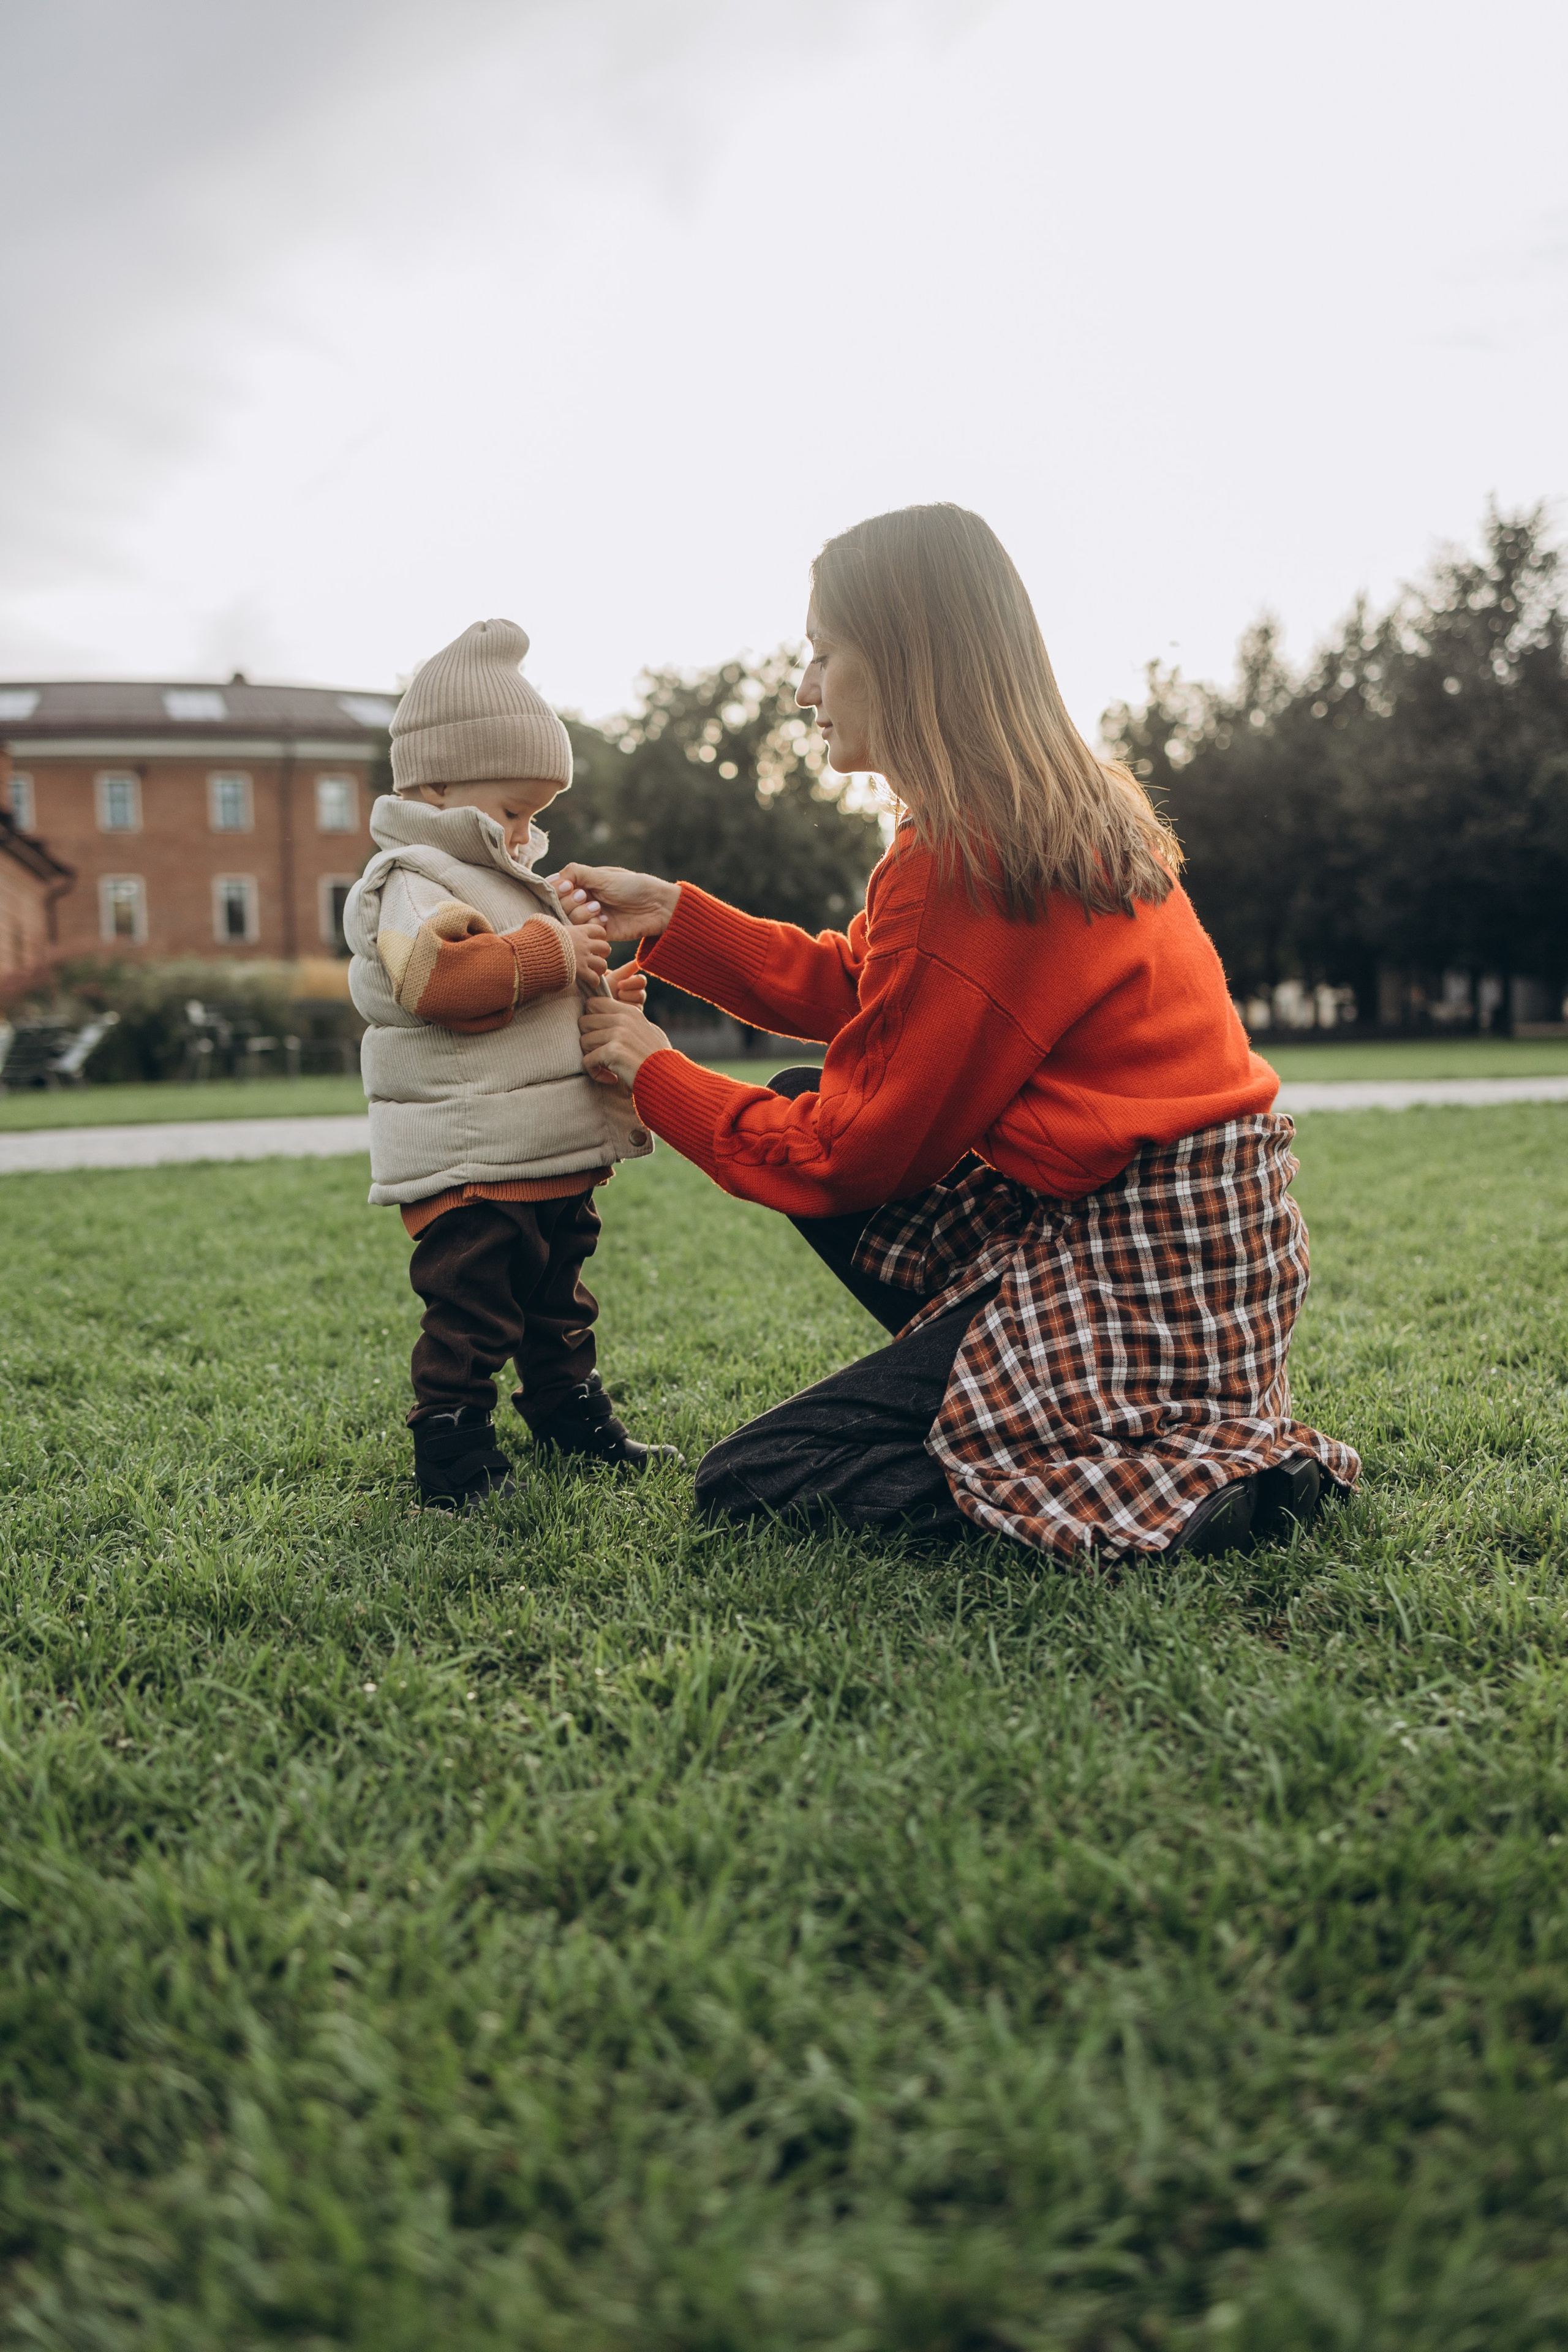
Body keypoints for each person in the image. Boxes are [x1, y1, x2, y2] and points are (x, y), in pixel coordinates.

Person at [565, 505, 1360, 1561]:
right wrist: (674, 917)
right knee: (815, 1084)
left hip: (1141, 1261)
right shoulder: (1046, 813)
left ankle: (1189, 1486)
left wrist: (657, 1072)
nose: (804, 688)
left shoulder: (964, 856)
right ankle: (1100, 1413)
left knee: (764, 1478)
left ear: (902, 659)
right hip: (1209, 1244)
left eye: (821, 654)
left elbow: (851, 1156)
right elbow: (877, 988)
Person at [343, 617, 676, 1510]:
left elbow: (544, 990)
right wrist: (562, 952)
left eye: (537, 814)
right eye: (512, 809)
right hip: (472, 1156)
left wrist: (605, 1002)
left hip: (542, 1148)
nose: (527, 831)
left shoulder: (504, 875)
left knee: (558, 1303)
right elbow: (441, 979)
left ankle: (569, 1411)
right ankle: (453, 1448)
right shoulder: (411, 879)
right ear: (434, 784)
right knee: (473, 1309)